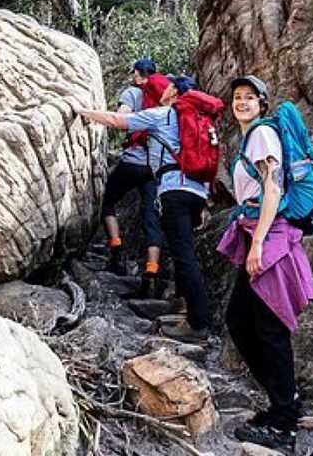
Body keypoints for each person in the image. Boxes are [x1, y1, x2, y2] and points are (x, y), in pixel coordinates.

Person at [217, 75, 313, 453]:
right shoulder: (251, 137)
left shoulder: (261, 134)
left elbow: (273, 187)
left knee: (269, 327)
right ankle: (284, 401)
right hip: (259, 233)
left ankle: (285, 428)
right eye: (236, 97)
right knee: (241, 322)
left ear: (262, 104)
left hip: (269, 235)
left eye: (249, 97)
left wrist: (257, 243)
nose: (241, 102)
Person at [73, 75, 212, 342]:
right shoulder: (200, 121)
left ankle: (197, 324)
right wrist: (206, 201)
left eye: (169, 85)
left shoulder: (164, 114)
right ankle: (184, 308)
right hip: (197, 191)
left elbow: (118, 121)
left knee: (184, 256)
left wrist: (83, 112)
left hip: (174, 189)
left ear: (173, 91)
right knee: (184, 251)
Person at [101, 59, 168, 282]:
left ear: (139, 75)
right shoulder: (164, 96)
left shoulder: (132, 93)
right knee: (151, 217)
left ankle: (116, 247)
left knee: (107, 199)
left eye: (135, 73)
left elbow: (121, 116)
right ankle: (151, 270)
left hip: (132, 163)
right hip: (155, 167)